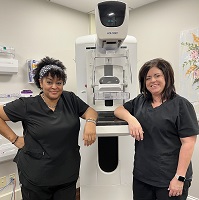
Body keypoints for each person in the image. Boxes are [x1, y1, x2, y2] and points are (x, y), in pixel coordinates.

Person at [0, 56, 98, 200]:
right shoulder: (27, 105)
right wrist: (14, 139)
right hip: (36, 176)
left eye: (59, 82)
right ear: (40, 82)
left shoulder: (70, 99)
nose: (54, 87)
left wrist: (90, 122)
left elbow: (91, 111)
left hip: (66, 173)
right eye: (49, 82)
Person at [114, 58, 199, 200]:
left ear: (167, 77)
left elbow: (188, 143)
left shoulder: (181, 105)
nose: (152, 80)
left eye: (157, 75)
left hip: (169, 178)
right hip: (142, 177)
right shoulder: (141, 101)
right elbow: (119, 110)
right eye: (148, 78)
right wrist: (131, 119)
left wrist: (179, 178)